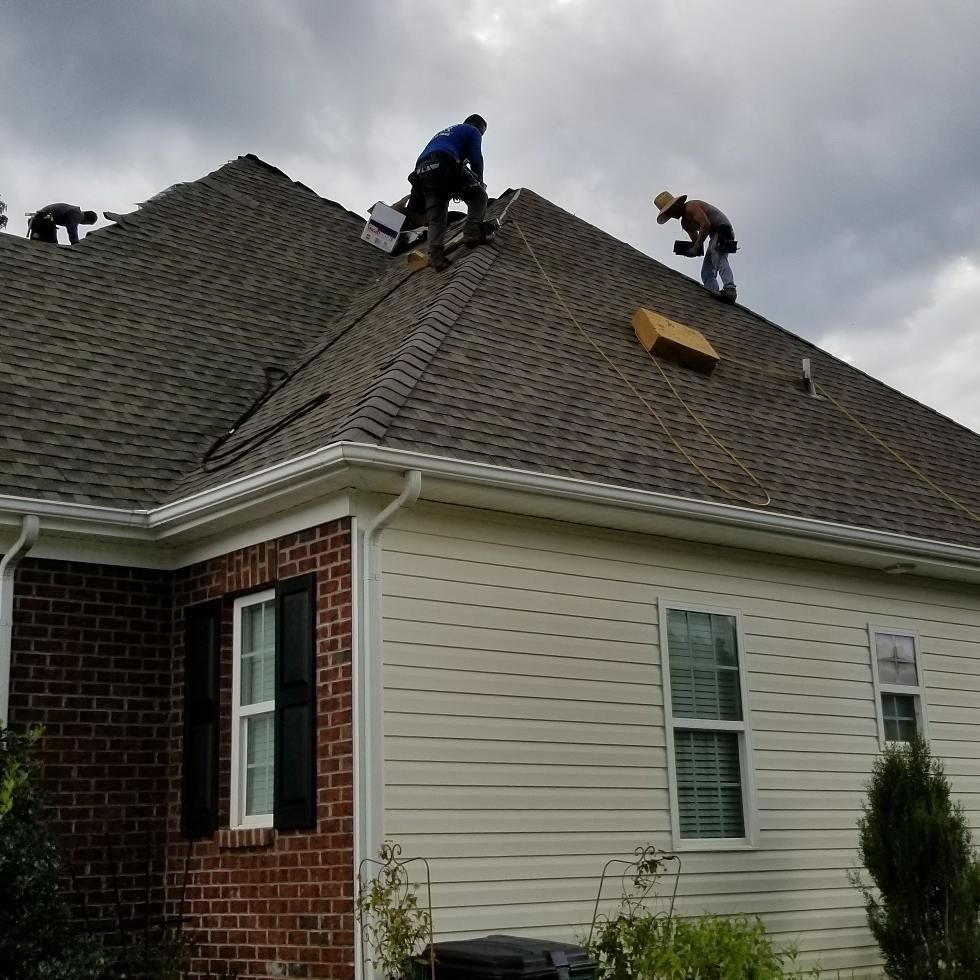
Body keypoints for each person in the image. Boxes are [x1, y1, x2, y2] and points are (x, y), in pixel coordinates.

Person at [407, 114, 490, 270]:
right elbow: (476, 158)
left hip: (422, 171)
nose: (481, 135)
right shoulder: (471, 130)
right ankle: (472, 232)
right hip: (444, 161)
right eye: (482, 131)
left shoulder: (448, 133)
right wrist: (479, 182)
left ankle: (435, 256)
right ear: (474, 124)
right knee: (478, 196)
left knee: (437, 217)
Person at [654, 191, 737, 303]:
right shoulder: (685, 223)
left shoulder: (691, 206)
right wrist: (691, 250)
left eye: (670, 211)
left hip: (722, 230)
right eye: (668, 214)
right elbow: (697, 241)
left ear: (677, 205)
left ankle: (730, 288)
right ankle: (714, 295)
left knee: (717, 253)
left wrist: (696, 246)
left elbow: (706, 225)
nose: (671, 216)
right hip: (714, 236)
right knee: (706, 272)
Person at [27, 203, 98, 245]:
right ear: (87, 221)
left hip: (38, 221)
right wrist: (76, 244)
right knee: (53, 246)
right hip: (43, 221)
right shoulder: (76, 214)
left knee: (42, 244)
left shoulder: (73, 211)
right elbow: (72, 229)